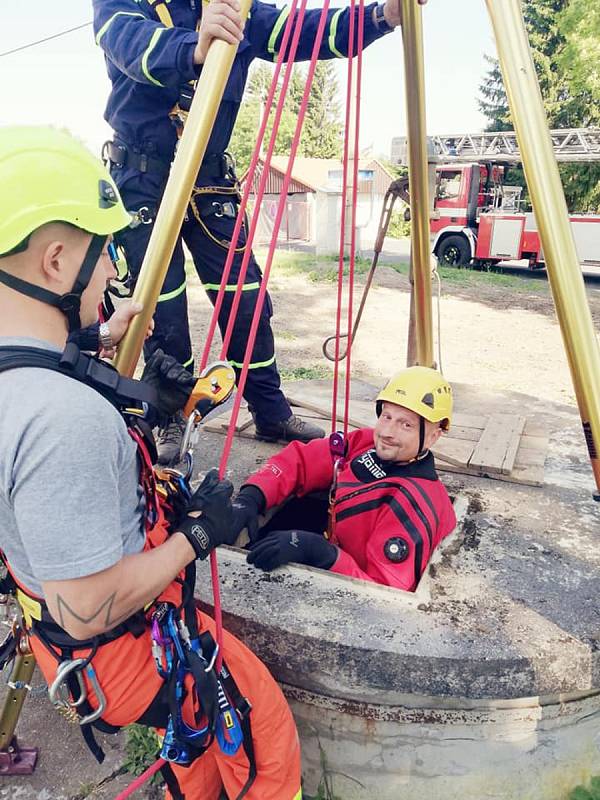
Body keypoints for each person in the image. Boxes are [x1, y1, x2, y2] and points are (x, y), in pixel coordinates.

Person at [0, 126, 301, 800]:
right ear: (54, 262)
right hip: (112, 651)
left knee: (195, 746)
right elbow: (86, 607)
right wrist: (198, 536)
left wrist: (114, 370)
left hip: (58, 638)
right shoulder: (60, 420)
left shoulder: (21, 375)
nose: (113, 273)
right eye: (103, 251)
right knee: (262, 729)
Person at [92, 0, 406, 464]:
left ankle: (269, 409)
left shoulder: (234, 7)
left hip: (209, 177)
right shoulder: (125, 3)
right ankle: (170, 413)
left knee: (247, 301)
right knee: (163, 309)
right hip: (143, 176)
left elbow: (305, 29)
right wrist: (194, 47)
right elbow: (127, 44)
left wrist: (382, 16)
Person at [231, 367, 457, 591]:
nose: (388, 432)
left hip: (348, 578)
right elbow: (304, 459)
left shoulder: (414, 506)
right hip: (336, 547)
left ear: (433, 436)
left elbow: (384, 595)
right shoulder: (366, 444)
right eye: (387, 416)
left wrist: (321, 554)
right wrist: (253, 495)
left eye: (406, 424)